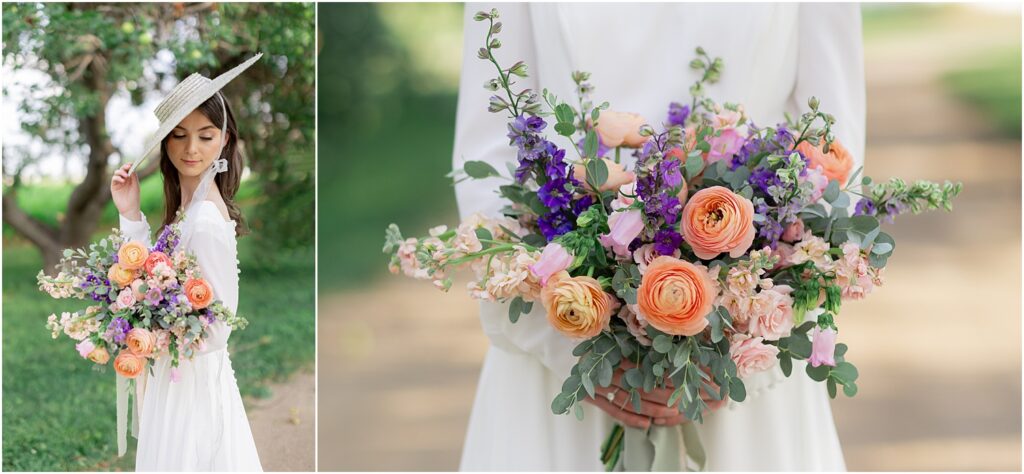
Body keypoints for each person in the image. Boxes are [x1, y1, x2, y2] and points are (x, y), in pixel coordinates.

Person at [452, 4, 863, 471]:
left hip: (740, 360)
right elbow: (485, 162)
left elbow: (835, 160)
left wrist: (743, 339)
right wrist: (583, 355)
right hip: (560, 344)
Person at [109, 55, 264, 471]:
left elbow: (219, 327)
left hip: (191, 382)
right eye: (178, 136)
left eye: (205, 136)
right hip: (175, 375)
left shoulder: (209, 220)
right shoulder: (189, 209)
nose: (191, 149)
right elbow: (152, 272)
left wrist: (152, 331)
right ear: (166, 144)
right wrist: (130, 214)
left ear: (225, 140)